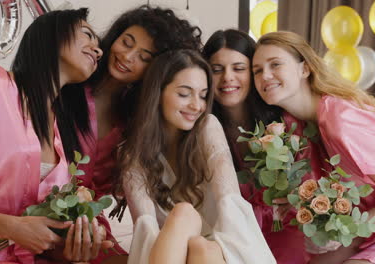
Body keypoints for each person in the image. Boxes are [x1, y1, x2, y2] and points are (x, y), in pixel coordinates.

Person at [0, 5, 203, 262]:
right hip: (6, 241)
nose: (127, 56)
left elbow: (46, 206)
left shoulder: (127, 127)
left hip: (59, 235)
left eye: (145, 57)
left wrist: (81, 232)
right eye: (126, 42)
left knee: (194, 246)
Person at [252, 30, 375, 264]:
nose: (265, 75)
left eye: (275, 64)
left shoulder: (342, 121)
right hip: (372, 230)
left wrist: (346, 231)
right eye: (257, 70)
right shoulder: (295, 127)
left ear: (304, 68)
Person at [0, 8, 109, 263]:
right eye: (87, 35)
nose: (97, 50)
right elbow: (17, 228)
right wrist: (11, 227)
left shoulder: (64, 133)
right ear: (51, 35)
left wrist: (72, 244)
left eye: (99, 47)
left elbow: (34, 229)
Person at [117, 49, 275, 264]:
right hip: (168, 252)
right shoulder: (132, 153)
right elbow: (146, 229)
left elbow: (229, 201)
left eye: (203, 95)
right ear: (158, 92)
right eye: (184, 94)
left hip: (223, 250)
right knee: (185, 219)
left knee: (200, 244)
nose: (197, 105)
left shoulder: (207, 127)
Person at [202, 29, 328, 263]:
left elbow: (307, 188)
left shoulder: (284, 123)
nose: (227, 77)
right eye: (216, 70)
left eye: (239, 68)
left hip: (284, 233)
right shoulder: (202, 129)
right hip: (228, 235)